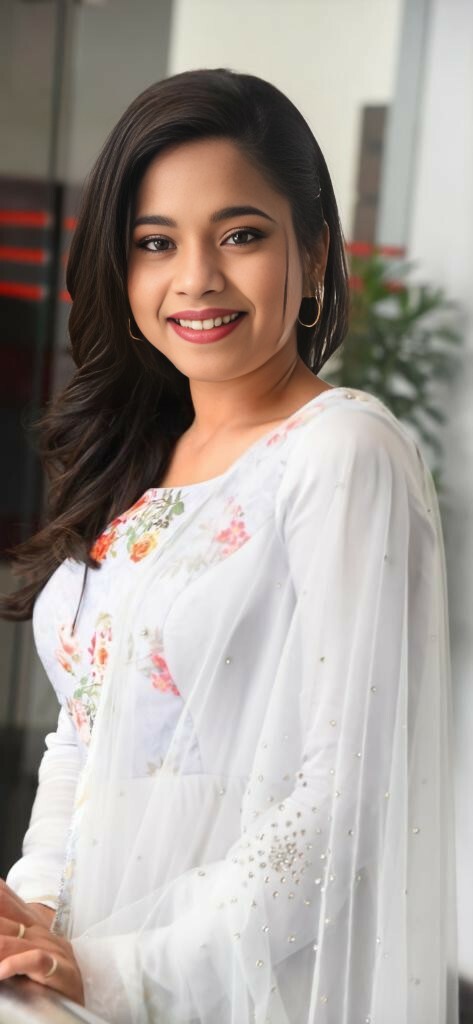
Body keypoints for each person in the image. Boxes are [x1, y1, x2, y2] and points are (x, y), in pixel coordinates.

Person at [0, 68, 458, 1023]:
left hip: (226, 984)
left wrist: (128, 969)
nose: (196, 277)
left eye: (240, 235)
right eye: (155, 243)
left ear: (314, 251)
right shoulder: (139, 457)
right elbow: (82, 732)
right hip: (84, 958)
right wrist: (35, 910)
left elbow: (345, 794)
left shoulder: (340, 451)